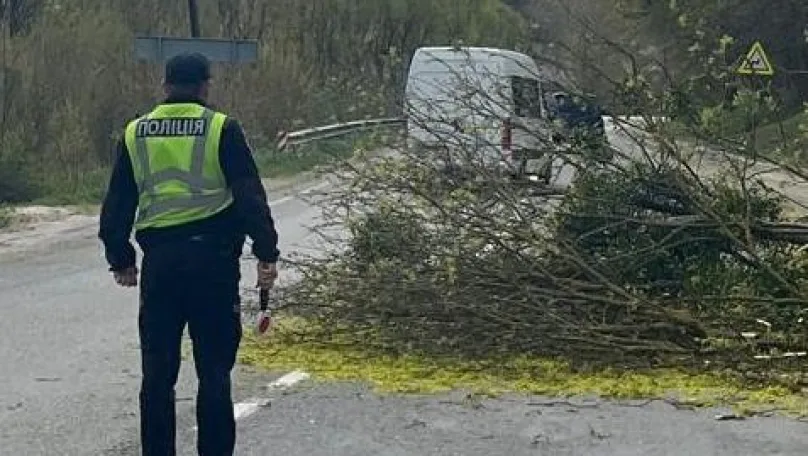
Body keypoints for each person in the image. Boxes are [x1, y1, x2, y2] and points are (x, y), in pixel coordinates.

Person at [98, 52, 280, 456]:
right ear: (204, 86)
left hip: (161, 267)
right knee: (214, 373)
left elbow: (117, 203)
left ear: (165, 85)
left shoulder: (135, 133)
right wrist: (266, 252)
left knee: (157, 376)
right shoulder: (221, 128)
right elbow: (249, 196)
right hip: (213, 265)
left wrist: (121, 258)